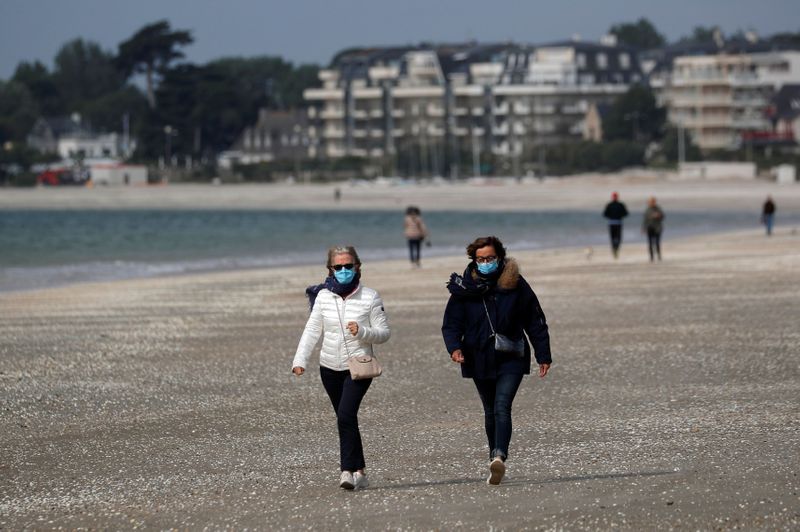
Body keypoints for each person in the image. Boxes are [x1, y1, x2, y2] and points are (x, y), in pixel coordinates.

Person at [441, 236, 552, 486]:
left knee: (502, 405)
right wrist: (455, 348)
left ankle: (500, 454)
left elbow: (535, 320)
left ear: (499, 257)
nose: (486, 263)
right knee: (489, 410)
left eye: (490, 258)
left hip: (511, 354)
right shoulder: (464, 288)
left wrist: (543, 354)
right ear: (474, 260)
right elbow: (451, 324)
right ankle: (495, 459)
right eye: (481, 259)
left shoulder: (515, 283)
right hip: (477, 356)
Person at [292, 245, 391, 490]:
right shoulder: (324, 296)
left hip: (359, 366)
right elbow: (312, 330)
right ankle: (360, 470)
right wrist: (300, 360)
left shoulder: (370, 296)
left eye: (349, 266)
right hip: (328, 367)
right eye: (339, 267)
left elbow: (384, 333)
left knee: (346, 416)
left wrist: (363, 331)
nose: (344, 270)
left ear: (358, 267)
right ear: (330, 270)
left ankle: (346, 471)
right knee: (346, 419)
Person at [603, 192, 629, 258]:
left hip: (618, 222)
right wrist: (612, 216)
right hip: (612, 223)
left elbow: (626, 213)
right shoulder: (610, 205)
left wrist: (619, 216)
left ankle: (616, 248)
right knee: (613, 237)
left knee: (618, 237)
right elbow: (605, 214)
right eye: (614, 196)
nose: (614, 197)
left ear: (617, 197)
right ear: (612, 197)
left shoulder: (620, 205)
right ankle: (614, 249)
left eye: (615, 196)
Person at [642, 196, 665, 262]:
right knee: (650, 243)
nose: (651, 203)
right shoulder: (647, 210)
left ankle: (659, 255)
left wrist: (658, 215)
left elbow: (663, 216)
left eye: (652, 202)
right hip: (650, 228)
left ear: (654, 202)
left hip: (657, 228)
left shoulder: (658, 209)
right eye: (650, 202)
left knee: (657, 243)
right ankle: (651, 257)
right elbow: (645, 220)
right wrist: (643, 228)